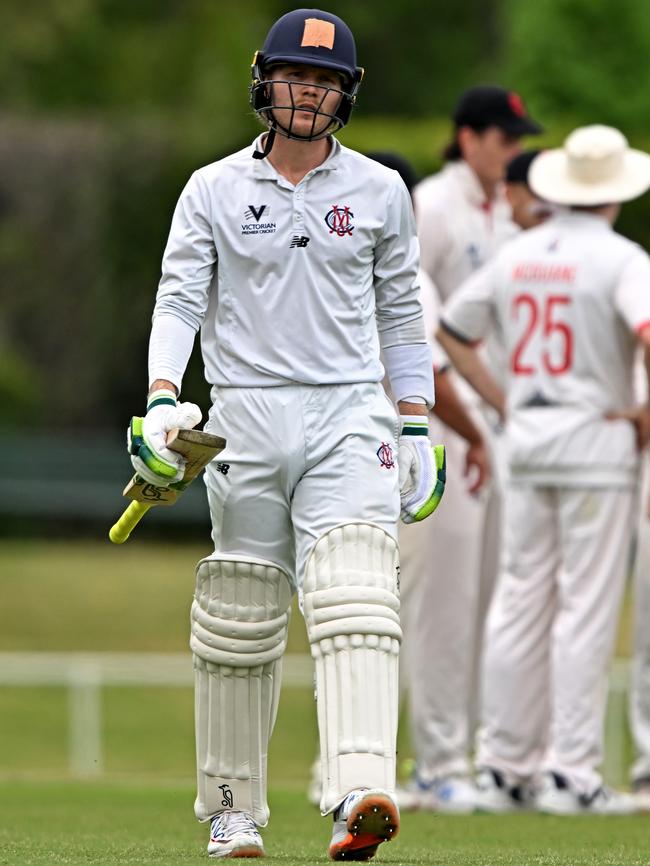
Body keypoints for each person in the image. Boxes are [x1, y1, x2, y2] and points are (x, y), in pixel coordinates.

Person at [125, 9, 446, 860]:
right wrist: (163, 400)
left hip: (349, 410)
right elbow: (179, 300)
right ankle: (233, 809)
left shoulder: (380, 190)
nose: (310, 92)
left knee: (358, 595)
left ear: (347, 93)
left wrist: (415, 421)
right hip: (245, 410)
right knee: (242, 610)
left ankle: (359, 791)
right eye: (297, 77)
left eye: (327, 80)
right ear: (264, 81)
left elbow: (403, 314)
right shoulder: (213, 188)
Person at [437, 124, 650, 814]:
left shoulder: (519, 254)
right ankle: (571, 772)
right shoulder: (623, 259)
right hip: (594, 446)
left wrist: (505, 402)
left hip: (527, 443)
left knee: (520, 600)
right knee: (583, 608)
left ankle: (504, 767)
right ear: (615, 193)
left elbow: (453, 332)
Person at [398, 85, 542, 811]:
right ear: (469, 137)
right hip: (442, 421)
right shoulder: (432, 204)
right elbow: (407, 322)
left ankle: (490, 755)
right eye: (505, 138)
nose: (514, 151)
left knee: (496, 598)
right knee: (444, 605)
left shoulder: (511, 212)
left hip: (499, 423)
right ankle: (437, 761)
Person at [504, 149, 556, 230]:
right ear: (510, 194)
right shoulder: (494, 238)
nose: (549, 202)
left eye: (555, 193)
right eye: (538, 191)